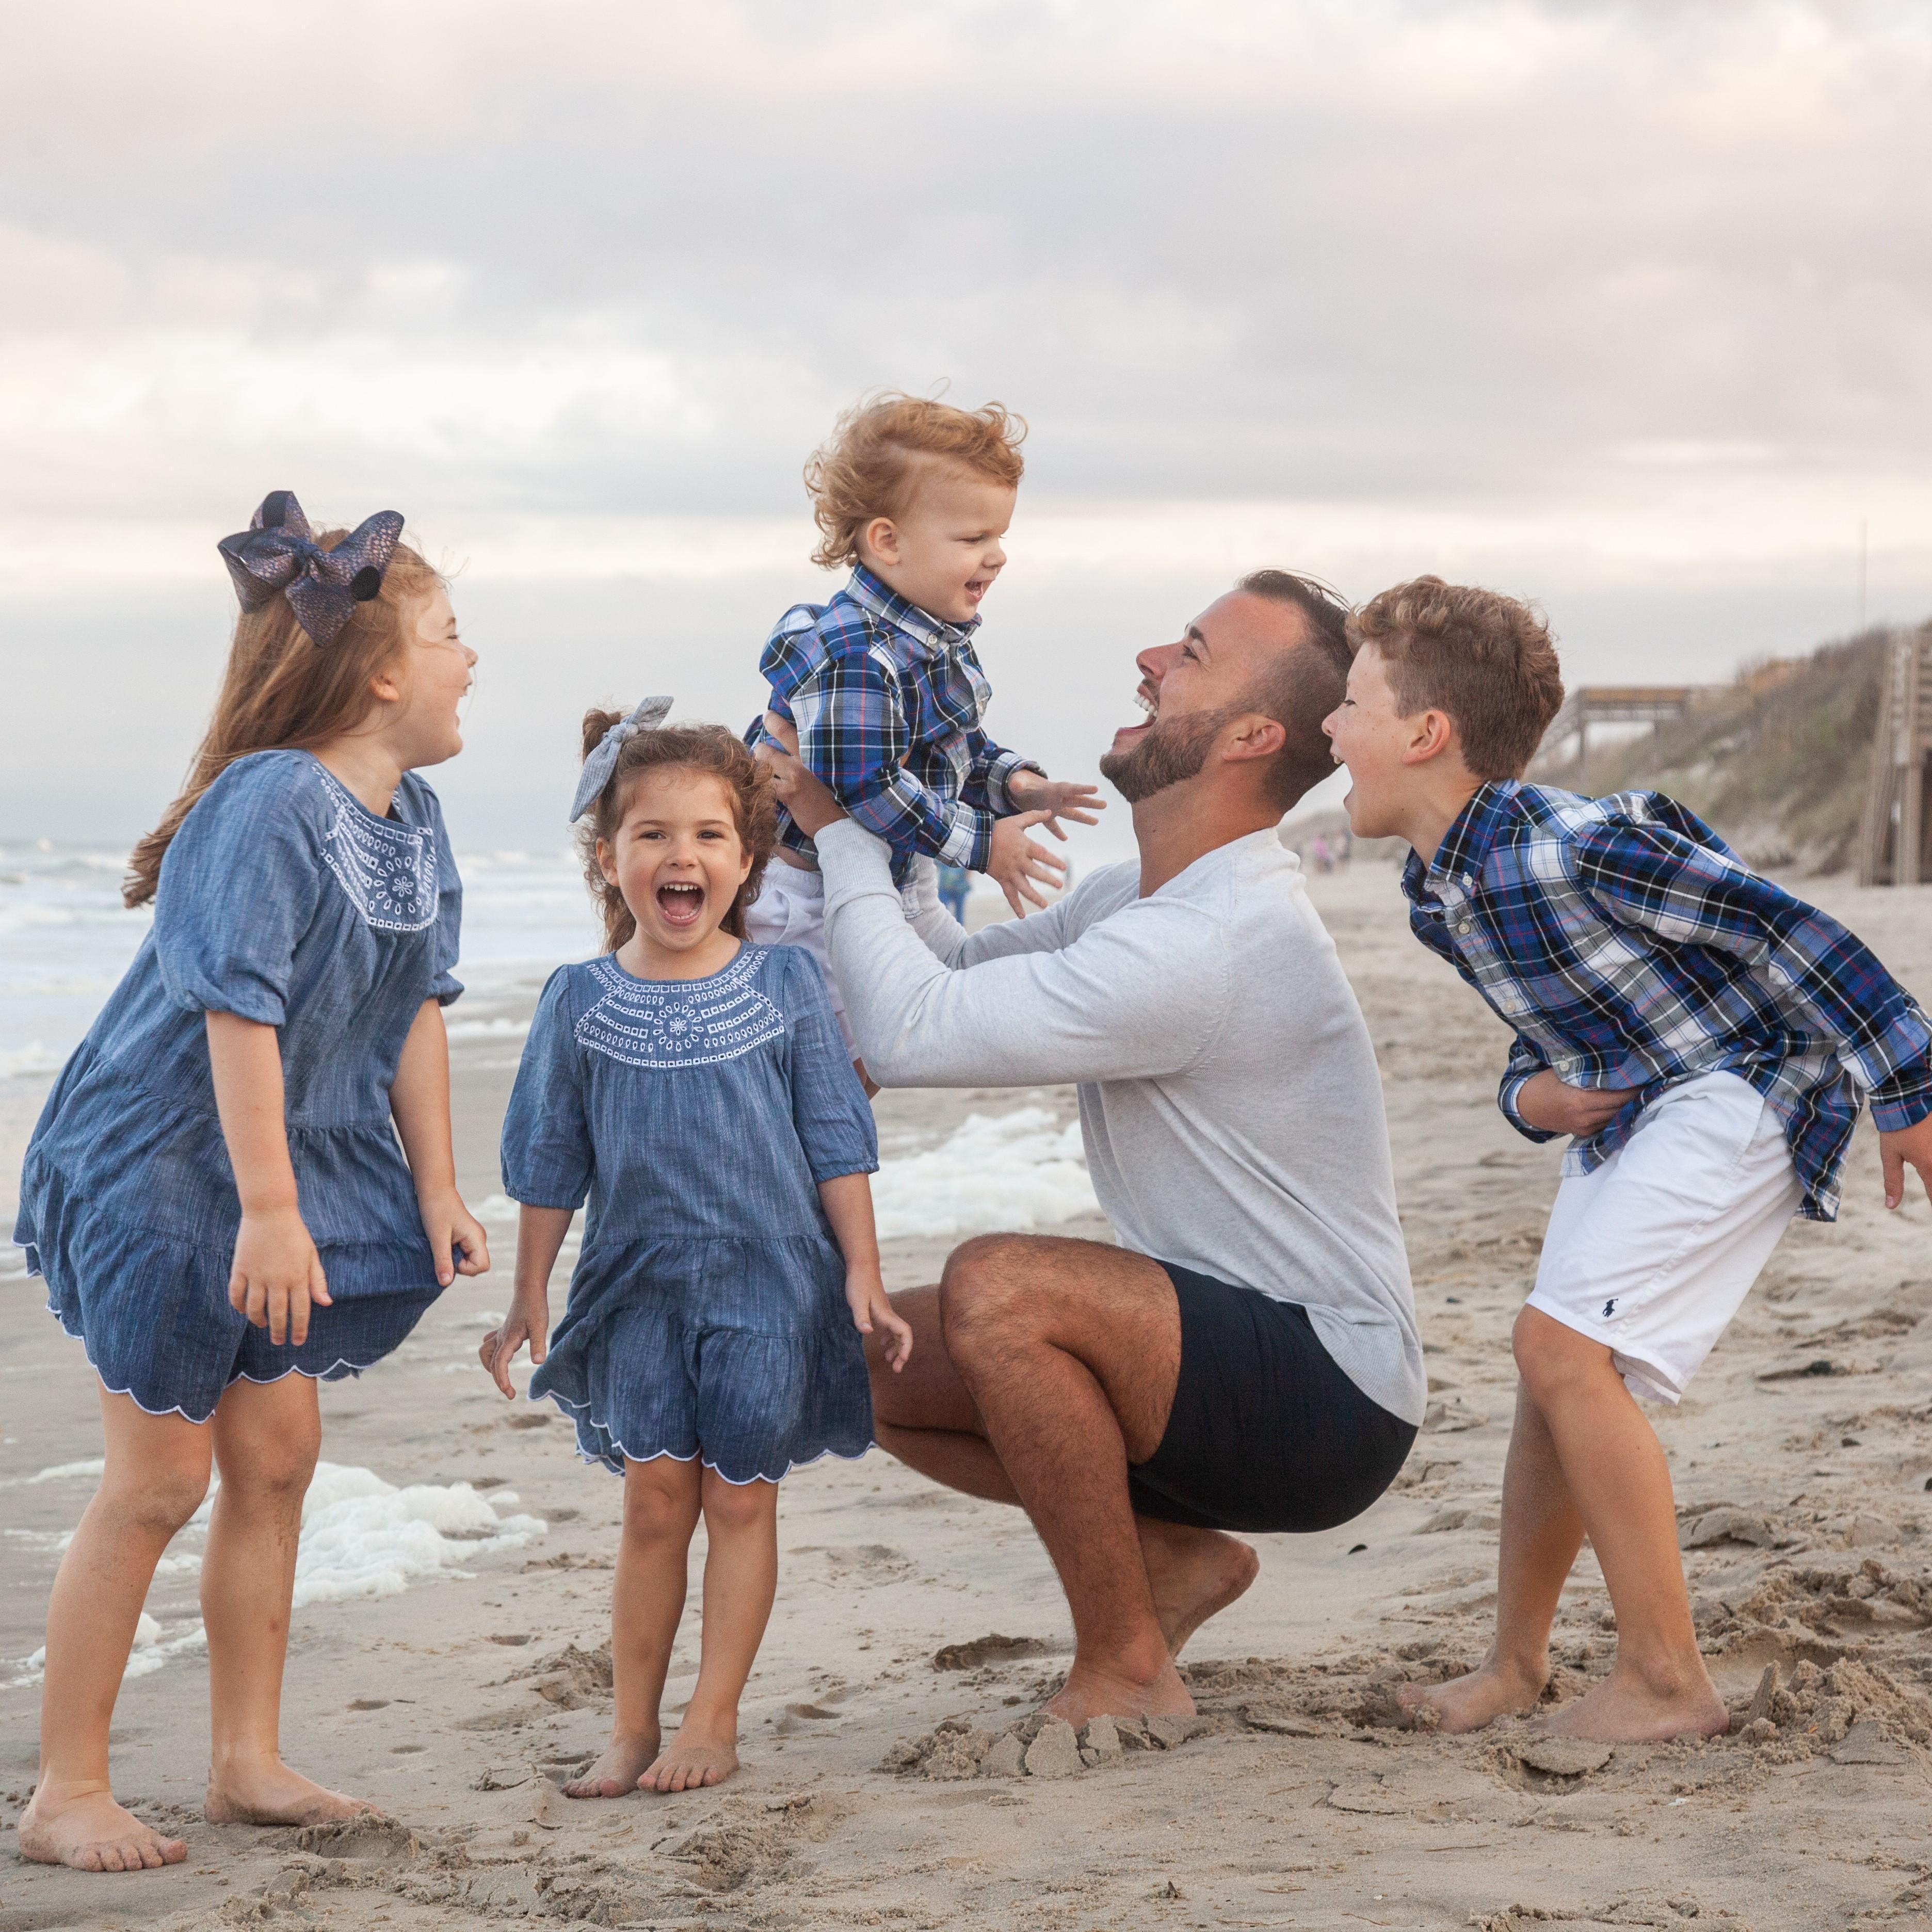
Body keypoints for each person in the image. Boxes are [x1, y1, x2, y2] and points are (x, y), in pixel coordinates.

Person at [761, 570, 1426, 1729]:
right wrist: (883, 807)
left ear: (1252, 736)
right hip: (1212, 1358)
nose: (1149, 662)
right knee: (864, 1356)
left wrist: (833, 825)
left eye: (1191, 655)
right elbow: (953, 973)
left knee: (1000, 1287)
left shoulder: (1215, 940)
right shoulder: (1148, 898)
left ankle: (1124, 1661)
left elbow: (912, 1034)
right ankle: (1170, 1563)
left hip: (1326, 1393)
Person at [1322, 575, 1932, 1742]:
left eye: (1350, 704)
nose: (1329, 730)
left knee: (1562, 1347)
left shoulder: (1575, 845)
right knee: (1552, 1371)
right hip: (1636, 1114)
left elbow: (1783, 926)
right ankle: (1515, 1664)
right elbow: (1538, 1039)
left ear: (1423, 732)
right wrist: (1530, 1097)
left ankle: (1665, 1678)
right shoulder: (1436, 894)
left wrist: (1908, 1087)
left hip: (1743, 1088)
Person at [12, 492, 489, 1872]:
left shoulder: (417, 817)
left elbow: (414, 1008)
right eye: (455, 637)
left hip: (286, 1165)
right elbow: (238, 1014)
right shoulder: (268, 801)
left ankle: (244, 1760)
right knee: (155, 1483)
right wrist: (272, 1214)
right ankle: (66, 1790)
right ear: (384, 670)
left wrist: (438, 1186)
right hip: (165, 1165)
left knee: (277, 1462)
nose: (473, 662)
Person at [480, 713, 912, 1797]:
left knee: (741, 1501)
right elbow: (548, 1158)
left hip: (770, 1284)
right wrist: (528, 1293)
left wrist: (862, 1270)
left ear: (747, 861)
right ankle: (632, 1728)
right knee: (654, 1503)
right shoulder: (576, 1001)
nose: (683, 857)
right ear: (609, 858)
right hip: (634, 1289)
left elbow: (835, 1139)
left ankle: (711, 1720)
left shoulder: (785, 989)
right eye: (654, 835)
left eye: (711, 836)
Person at [743, 393, 1104, 1068]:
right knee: (849, 1068)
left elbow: (954, 749)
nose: (996, 557)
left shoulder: (934, 638)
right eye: (973, 539)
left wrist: (1018, 786)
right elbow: (866, 787)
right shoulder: (858, 651)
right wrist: (983, 846)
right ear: (887, 541)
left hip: (870, 879)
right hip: (804, 899)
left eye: (1000, 536)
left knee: (871, 1067)